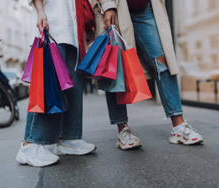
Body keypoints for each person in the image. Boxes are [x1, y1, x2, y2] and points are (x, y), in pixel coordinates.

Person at [91, 0, 204, 150]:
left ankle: (178, 126)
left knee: (162, 61)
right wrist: (107, 5)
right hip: (116, 6)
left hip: (144, 7)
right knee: (114, 65)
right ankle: (123, 130)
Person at [16, 0, 96, 167]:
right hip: (51, 20)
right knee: (48, 82)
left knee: (73, 83)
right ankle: (31, 144)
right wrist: (39, 11)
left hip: (73, 28)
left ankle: (69, 137)